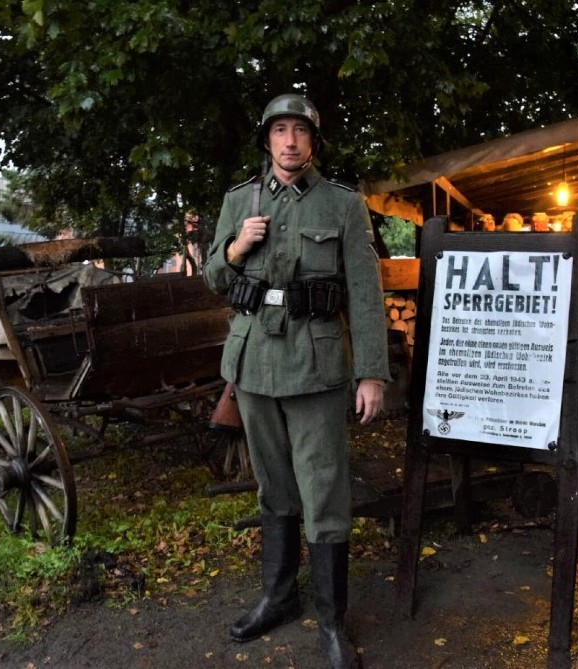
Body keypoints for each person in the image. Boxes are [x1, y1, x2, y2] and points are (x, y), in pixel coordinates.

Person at [203, 93, 390, 668]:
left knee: (324, 491)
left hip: (316, 366)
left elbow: (365, 292)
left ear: (313, 142)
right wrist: (237, 246)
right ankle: (279, 597)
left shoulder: (341, 205)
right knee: (275, 489)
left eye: (300, 132)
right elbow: (214, 276)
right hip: (254, 364)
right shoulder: (240, 201)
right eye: (280, 131)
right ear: (267, 140)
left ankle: (333, 623)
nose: (289, 141)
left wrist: (372, 375)